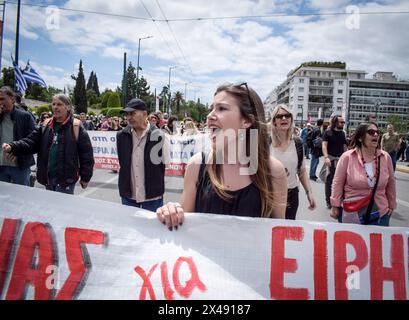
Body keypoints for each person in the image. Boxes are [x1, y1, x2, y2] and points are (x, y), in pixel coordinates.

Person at [156, 83, 288, 230]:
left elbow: (277, 235)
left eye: (222, 108)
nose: (209, 116)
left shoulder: (274, 171)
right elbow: (184, 229)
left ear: (247, 121)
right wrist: (172, 212)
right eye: (211, 108)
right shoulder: (196, 165)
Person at [2, 94, 94, 194]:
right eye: (53, 104)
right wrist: (13, 146)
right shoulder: (45, 124)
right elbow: (31, 142)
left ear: (68, 107)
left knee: (61, 209)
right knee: (51, 208)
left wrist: (85, 177)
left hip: (66, 180)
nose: (55, 107)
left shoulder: (76, 126)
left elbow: (86, 154)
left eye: (59, 104)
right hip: (48, 178)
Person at [330, 122, 396, 226]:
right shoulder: (347, 157)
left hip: (380, 213)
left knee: (377, 243)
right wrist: (335, 205)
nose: (375, 135)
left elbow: (391, 183)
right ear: (360, 138)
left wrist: (391, 205)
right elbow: (337, 182)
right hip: (353, 213)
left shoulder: (385, 157)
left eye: (377, 132)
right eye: (371, 132)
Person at [116, 98, 168, 212]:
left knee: (152, 229)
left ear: (145, 114)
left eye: (132, 113)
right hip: (128, 195)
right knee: (128, 229)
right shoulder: (121, 136)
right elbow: (123, 163)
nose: (128, 117)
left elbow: (164, 164)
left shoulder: (159, 135)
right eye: (127, 114)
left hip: (152, 196)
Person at [270, 105, 316, 220]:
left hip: (291, 194)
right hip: (270, 194)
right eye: (280, 116)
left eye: (287, 115)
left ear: (291, 119)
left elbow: (302, 171)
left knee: (287, 230)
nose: (284, 118)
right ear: (274, 121)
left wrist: (308, 192)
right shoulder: (266, 142)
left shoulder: (298, 143)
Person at [0, 86, 36, 186]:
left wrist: (18, 150)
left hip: (20, 166)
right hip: (1, 166)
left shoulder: (25, 116)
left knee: (22, 197)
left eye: (2, 99)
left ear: (12, 99)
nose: (0, 102)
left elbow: (33, 140)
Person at [322, 115, 347, 210]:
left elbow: (344, 146)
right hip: (331, 160)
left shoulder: (342, 134)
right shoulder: (328, 132)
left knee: (340, 181)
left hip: (341, 160)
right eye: (341, 122)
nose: (343, 124)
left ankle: (338, 200)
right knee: (329, 181)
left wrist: (347, 157)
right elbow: (324, 145)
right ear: (335, 122)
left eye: (343, 122)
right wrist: (326, 157)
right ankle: (328, 201)